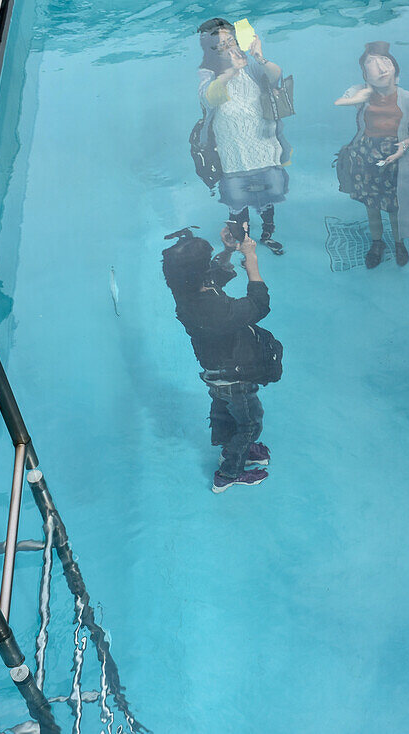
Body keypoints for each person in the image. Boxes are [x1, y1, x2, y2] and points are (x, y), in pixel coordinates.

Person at [161, 225, 279, 493]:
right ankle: (229, 473)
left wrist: (227, 251)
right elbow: (260, 303)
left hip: (215, 370)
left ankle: (232, 446)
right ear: (199, 273)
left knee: (225, 411)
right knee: (250, 422)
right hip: (234, 374)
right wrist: (251, 260)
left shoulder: (184, 288)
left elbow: (214, 276)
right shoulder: (213, 311)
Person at [198, 18, 291, 255]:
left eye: (231, 41)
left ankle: (268, 234)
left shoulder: (251, 65)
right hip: (234, 154)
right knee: (237, 203)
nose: (229, 47)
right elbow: (210, 98)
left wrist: (259, 56)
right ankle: (243, 241)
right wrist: (231, 71)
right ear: (211, 50)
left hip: (263, 148)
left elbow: (276, 76)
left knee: (268, 197)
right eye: (221, 45)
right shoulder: (208, 73)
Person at [335, 41, 409, 269]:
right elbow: (340, 102)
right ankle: (377, 243)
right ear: (365, 74)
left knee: (396, 207)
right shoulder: (361, 92)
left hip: (396, 158)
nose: (381, 67)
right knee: (372, 206)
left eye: (385, 61)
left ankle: (398, 243)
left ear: (395, 68)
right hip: (367, 156)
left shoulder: (408, 99)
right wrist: (362, 95)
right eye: (371, 63)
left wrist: (403, 146)